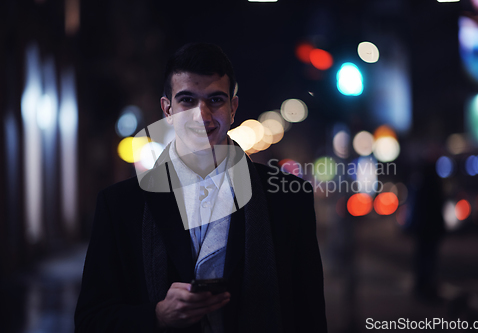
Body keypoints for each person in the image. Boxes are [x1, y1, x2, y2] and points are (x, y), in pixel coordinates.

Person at [74, 42, 327, 333]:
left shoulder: (288, 199)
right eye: (187, 100)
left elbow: (310, 317)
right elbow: (90, 321)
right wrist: (157, 316)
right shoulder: (120, 206)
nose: (202, 115)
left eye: (215, 100)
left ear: (233, 108)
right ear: (167, 109)